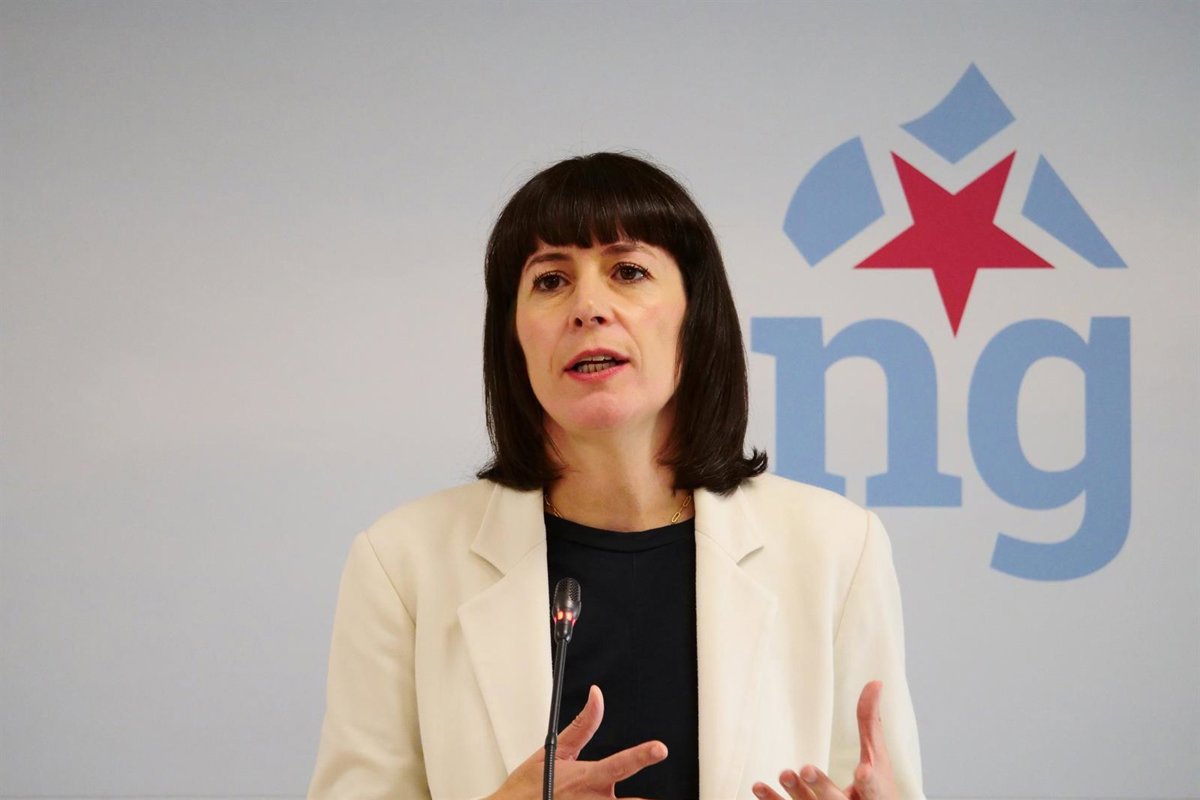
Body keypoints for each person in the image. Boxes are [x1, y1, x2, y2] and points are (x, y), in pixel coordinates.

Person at [308, 152, 925, 800]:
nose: (588, 307)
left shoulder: (835, 547)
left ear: (696, 314)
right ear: (512, 335)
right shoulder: (403, 563)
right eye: (550, 280)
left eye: (628, 271)